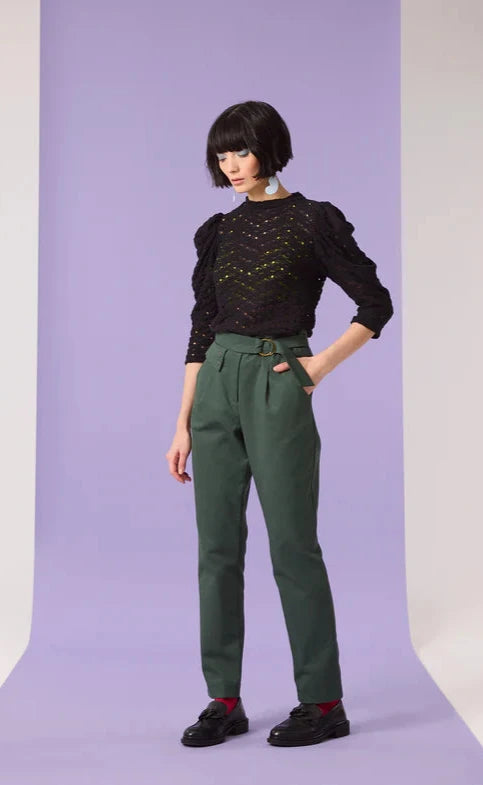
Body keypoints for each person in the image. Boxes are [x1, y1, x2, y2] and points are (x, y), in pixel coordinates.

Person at [166, 100, 394, 748]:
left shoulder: (311, 220)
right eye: (221, 155)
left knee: (293, 544)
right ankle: (224, 699)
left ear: (269, 148)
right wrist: (182, 422)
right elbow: (201, 330)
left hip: (277, 378)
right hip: (216, 381)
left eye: (241, 151)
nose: (231, 165)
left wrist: (317, 365)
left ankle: (323, 702)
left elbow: (374, 302)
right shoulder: (218, 231)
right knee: (216, 548)